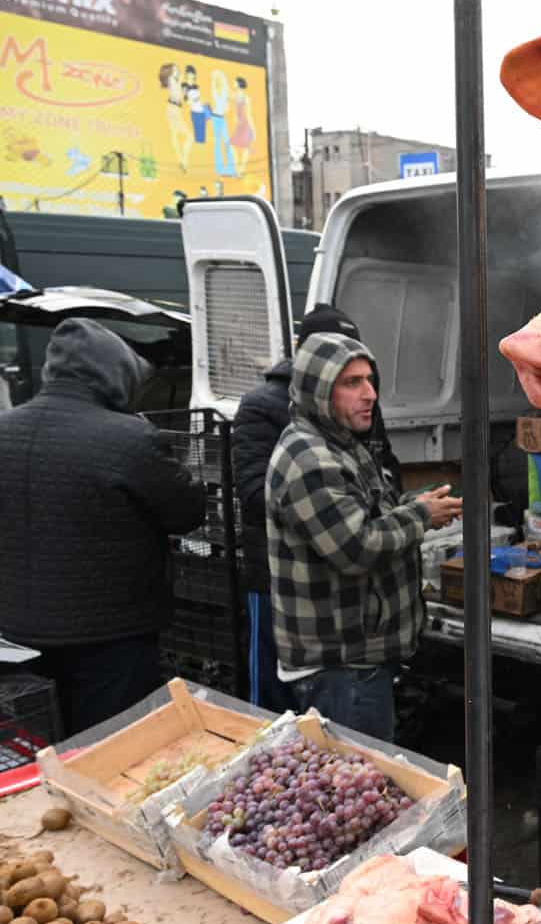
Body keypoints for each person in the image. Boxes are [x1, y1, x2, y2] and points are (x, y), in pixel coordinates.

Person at [0, 319, 206, 733]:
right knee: (110, 754)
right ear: (115, 377)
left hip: (17, 634)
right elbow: (188, 512)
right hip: (113, 639)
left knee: (36, 752)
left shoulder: (5, 429)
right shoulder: (129, 439)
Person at [264, 332, 460, 740]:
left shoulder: (343, 444)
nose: (369, 394)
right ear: (319, 391)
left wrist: (410, 503)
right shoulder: (309, 458)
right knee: (358, 784)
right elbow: (356, 547)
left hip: (358, 659)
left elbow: (369, 514)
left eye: (370, 380)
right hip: (340, 667)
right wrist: (421, 515)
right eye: (351, 383)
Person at [232, 304, 399, 712]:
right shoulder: (263, 407)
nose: (367, 391)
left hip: (341, 590)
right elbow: (255, 494)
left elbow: (386, 469)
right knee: (273, 697)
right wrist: (330, 509)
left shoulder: (356, 408)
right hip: (277, 578)